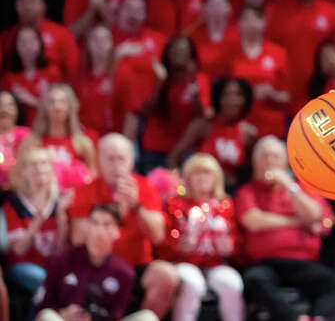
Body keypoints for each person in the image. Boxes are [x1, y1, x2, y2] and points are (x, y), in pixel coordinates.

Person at [69, 134, 179, 319]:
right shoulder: (86, 190)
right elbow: (78, 238)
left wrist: (136, 206)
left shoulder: (145, 187)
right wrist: (116, 213)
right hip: (97, 266)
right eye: (110, 159)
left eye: (121, 159)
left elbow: (158, 235)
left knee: (165, 275)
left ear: (131, 161)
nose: (117, 165)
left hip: (136, 266)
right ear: (99, 160)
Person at [237, 136, 335, 321]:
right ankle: (296, 319)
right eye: (265, 156)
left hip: (303, 263)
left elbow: (314, 215)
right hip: (265, 263)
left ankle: (318, 318)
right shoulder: (247, 191)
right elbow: (254, 221)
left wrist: (289, 185)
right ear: (255, 162)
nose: (270, 161)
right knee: (255, 279)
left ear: (286, 162)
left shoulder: (302, 189)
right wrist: (296, 221)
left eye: (275, 156)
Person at [35, 203, 158, 321]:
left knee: (148, 317)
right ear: (87, 226)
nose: (99, 230)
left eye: (106, 224)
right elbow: (42, 305)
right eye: (95, 223)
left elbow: (117, 314)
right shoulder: (63, 260)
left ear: (117, 231)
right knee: (47, 316)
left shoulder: (124, 273)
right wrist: (63, 313)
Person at [160, 154, 243, 321]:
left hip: (217, 263)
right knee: (192, 283)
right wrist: (180, 246)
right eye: (196, 173)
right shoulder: (175, 203)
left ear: (216, 178)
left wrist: (230, 248)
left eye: (207, 173)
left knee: (232, 284)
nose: (202, 178)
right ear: (188, 177)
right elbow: (164, 241)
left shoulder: (225, 205)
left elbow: (237, 241)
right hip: (184, 262)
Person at [131, 36, 211, 173]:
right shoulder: (156, 75)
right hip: (155, 146)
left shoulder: (199, 80)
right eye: (175, 50)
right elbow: (145, 112)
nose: (179, 53)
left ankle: (173, 157)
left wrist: (194, 89)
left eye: (184, 50)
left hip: (183, 150)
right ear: (168, 53)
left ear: (191, 55)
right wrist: (161, 83)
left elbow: (201, 117)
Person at [0, 146, 69, 296]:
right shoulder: (13, 205)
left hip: (53, 266)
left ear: (51, 168)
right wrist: (35, 225)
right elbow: (18, 250)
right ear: (23, 171)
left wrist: (62, 225)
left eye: (44, 163)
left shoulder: (60, 203)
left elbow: (61, 251)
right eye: (33, 164)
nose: (39, 169)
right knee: (42, 279)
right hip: (22, 267)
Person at [168, 77, 257, 187]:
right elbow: (173, 157)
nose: (232, 100)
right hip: (200, 191)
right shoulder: (202, 126)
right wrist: (180, 185)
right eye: (226, 95)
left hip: (232, 190)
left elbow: (253, 170)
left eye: (238, 95)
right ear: (218, 97)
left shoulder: (249, 133)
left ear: (246, 99)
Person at [21, 84, 97, 190]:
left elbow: (92, 177)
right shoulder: (31, 141)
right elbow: (20, 174)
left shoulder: (83, 143)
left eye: (63, 102)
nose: (57, 107)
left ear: (70, 107)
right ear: (44, 107)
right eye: (52, 102)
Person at [231, 7, 290, 138]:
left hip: (273, 128)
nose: (251, 23)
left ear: (264, 22)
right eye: (246, 19)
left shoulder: (278, 53)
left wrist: (272, 93)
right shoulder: (230, 54)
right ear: (239, 23)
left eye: (255, 19)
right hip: (239, 126)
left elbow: (289, 97)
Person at [72, 24, 135, 136]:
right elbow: (73, 108)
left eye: (105, 40)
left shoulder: (122, 72)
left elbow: (131, 113)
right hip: (85, 137)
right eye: (95, 39)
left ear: (112, 45)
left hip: (112, 139)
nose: (100, 44)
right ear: (88, 45)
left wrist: (125, 142)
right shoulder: (79, 73)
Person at [1, 0, 80, 79]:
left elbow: (74, 70)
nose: (28, 6)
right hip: (15, 86)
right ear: (16, 6)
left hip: (54, 87)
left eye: (32, 0)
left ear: (44, 5)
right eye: (23, 1)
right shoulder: (6, 37)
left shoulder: (62, 34)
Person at [1, 26, 64, 126]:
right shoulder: (9, 78)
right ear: (15, 46)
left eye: (31, 41)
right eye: (22, 42)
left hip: (46, 128)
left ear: (40, 44)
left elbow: (61, 107)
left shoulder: (52, 73)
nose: (27, 46)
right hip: (18, 131)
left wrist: (31, 100)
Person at [0, 90, 30, 187]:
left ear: (17, 110)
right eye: (0, 105)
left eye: (9, 105)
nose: (4, 110)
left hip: (19, 189)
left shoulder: (26, 135)